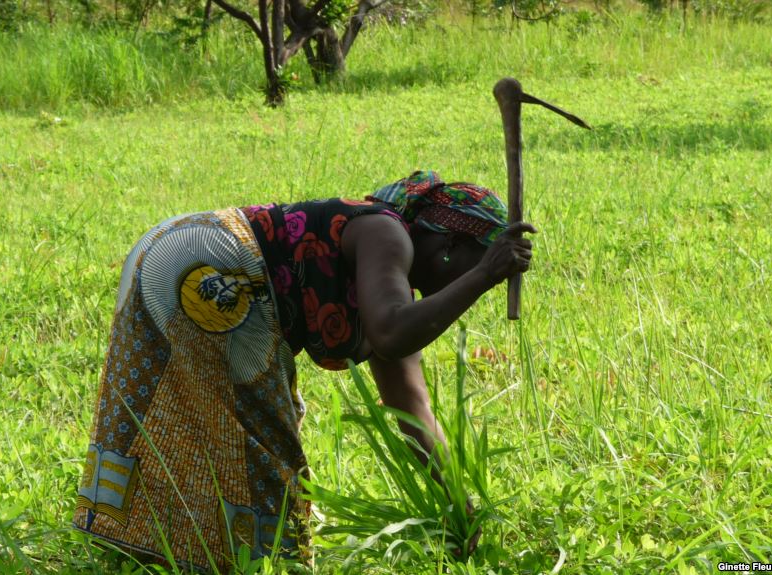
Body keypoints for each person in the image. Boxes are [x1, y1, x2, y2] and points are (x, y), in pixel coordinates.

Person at [73, 170, 536, 571]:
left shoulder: (388, 288)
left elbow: (413, 411)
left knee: (175, 415)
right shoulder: (386, 232)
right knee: (263, 442)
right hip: (214, 262)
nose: (466, 287)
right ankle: (273, 563)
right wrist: (483, 276)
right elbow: (394, 331)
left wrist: (459, 502)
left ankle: (146, 549)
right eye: (473, 265)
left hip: (170, 247)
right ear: (452, 243)